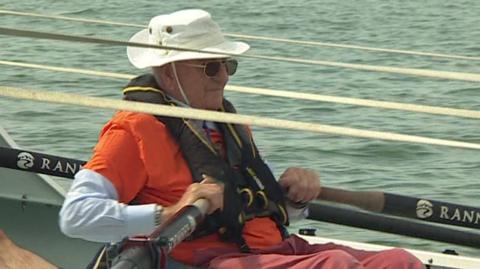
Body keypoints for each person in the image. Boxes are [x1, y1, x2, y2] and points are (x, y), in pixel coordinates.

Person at [59, 9, 425, 269]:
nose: (224, 78)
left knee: (399, 261)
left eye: (228, 65)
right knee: (337, 265)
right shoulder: (133, 130)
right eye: (212, 66)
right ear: (169, 73)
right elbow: (76, 217)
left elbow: (253, 211)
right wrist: (167, 213)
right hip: (209, 258)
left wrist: (295, 198)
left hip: (271, 249)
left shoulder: (228, 127)